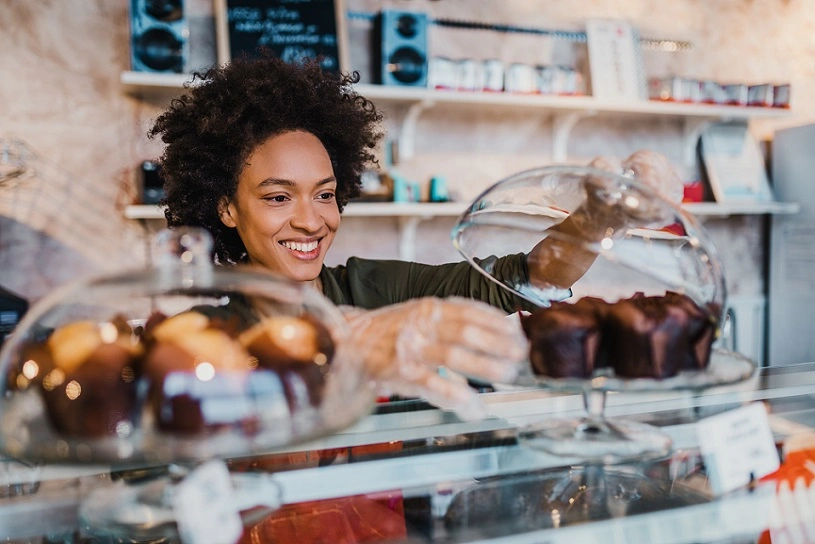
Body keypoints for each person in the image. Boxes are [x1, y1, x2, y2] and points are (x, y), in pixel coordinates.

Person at [148, 50, 683, 417]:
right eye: (278, 197)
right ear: (226, 208)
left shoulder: (375, 290)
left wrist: (600, 215)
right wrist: (347, 346)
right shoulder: (195, 331)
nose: (312, 221)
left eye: (327, 194)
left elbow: (522, 280)